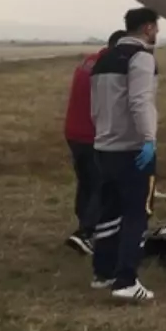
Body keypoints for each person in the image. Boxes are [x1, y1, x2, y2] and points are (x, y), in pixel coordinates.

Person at [89, 7, 160, 301]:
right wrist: (148, 139)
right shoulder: (140, 57)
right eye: (155, 27)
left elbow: (95, 107)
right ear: (147, 28)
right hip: (132, 149)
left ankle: (102, 273)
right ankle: (126, 280)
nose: (157, 32)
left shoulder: (103, 59)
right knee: (136, 214)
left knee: (109, 211)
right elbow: (141, 101)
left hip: (104, 146)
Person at [63, 30, 124, 255]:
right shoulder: (111, 68)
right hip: (93, 136)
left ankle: (83, 226)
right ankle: (87, 234)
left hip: (74, 133)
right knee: (101, 184)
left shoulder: (89, 61)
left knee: (86, 181)